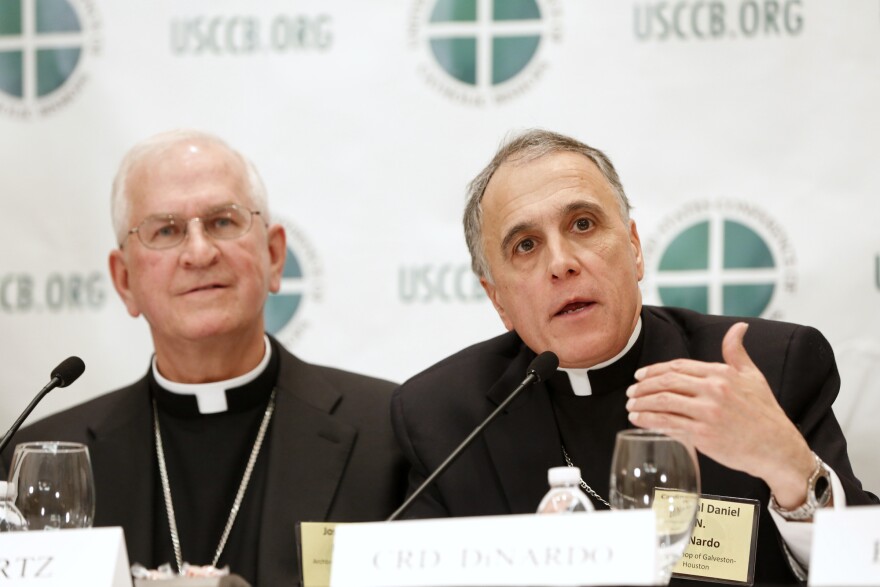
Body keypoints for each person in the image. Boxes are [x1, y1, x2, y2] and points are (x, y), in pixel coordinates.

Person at [390, 129, 878, 584]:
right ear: (498, 300)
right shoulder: (444, 417)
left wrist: (792, 469)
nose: (561, 264)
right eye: (526, 245)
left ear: (635, 248)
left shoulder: (769, 368)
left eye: (583, 224)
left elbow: (864, 569)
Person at [2, 130, 406, 585]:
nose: (199, 252)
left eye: (222, 222)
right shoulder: (38, 464)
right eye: (166, 230)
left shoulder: (390, 436)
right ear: (124, 281)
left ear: (274, 257)